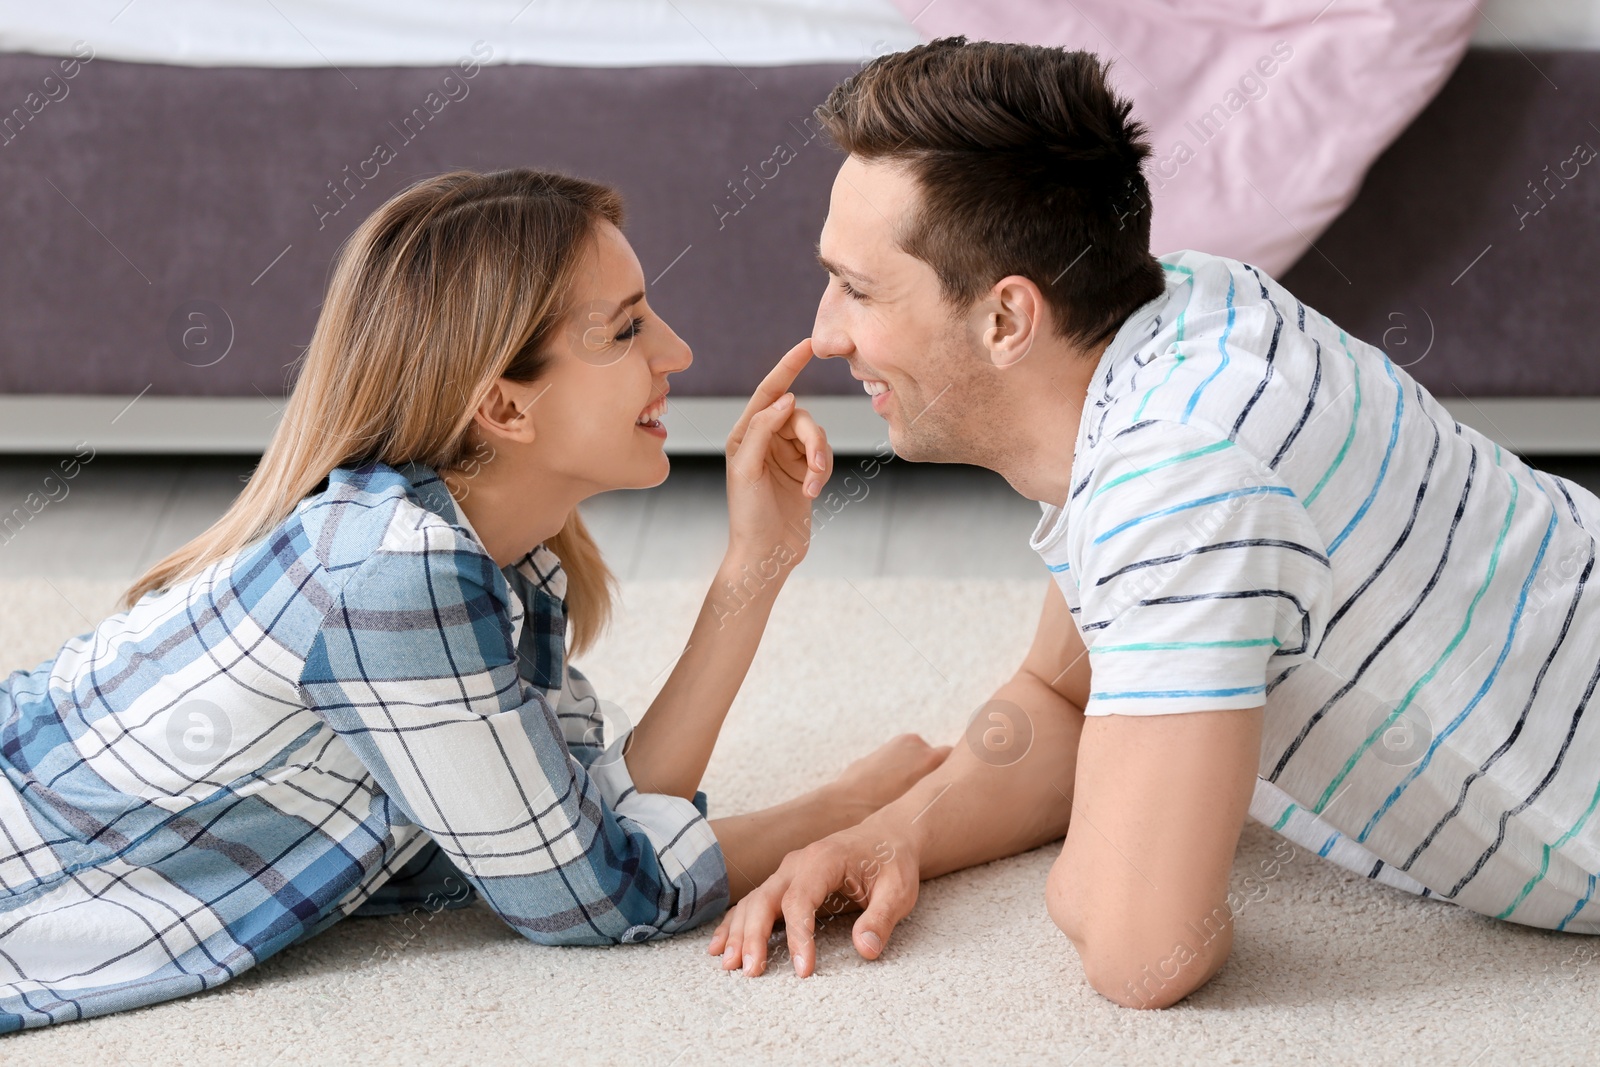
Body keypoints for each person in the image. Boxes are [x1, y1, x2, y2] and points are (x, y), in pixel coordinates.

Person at [711, 36, 1600, 1008]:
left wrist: (1099, 846)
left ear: (1008, 319)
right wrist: (898, 827)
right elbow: (1057, 701)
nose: (825, 329)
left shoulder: (1181, 480)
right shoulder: (1181, 306)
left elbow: (1143, 953)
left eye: (861, 288)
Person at [0, 168, 950, 1032]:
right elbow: (598, 900)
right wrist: (847, 808)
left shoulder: (484, 549)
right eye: (624, 330)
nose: (679, 351)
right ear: (503, 407)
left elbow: (585, 815)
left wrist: (760, 559)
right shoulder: (400, 576)